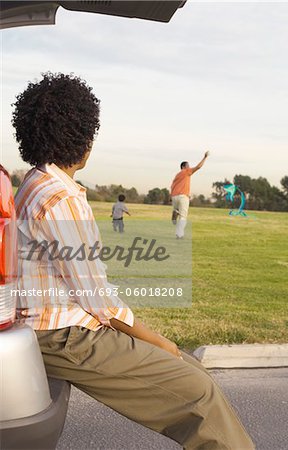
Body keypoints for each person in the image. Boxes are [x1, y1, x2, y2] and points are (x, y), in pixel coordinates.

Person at [13, 73, 254, 450]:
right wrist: (158, 340)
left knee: (193, 374)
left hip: (60, 327)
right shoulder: (61, 198)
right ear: (83, 137)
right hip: (63, 336)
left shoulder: (35, 181)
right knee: (199, 393)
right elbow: (98, 300)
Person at [171, 153, 209, 238]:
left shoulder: (177, 175)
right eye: (188, 165)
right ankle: (179, 234)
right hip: (183, 196)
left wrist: (171, 198)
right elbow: (198, 167)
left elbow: (172, 186)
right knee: (183, 216)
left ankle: (175, 211)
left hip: (174, 196)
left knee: (178, 210)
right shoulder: (186, 171)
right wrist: (205, 157)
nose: (189, 167)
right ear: (183, 167)